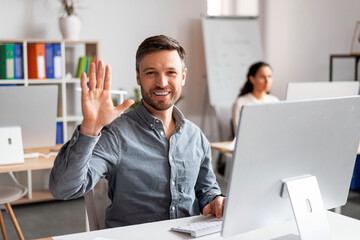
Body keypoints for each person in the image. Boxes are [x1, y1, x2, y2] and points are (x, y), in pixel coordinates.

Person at [49, 35, 225, 228]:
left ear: (183, 77)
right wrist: (90, 128)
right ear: (138, 77)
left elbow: (206, 189)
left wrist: (216, 200)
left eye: (171, 72)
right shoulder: (117, 135)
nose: (162, 82)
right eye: (151, 73)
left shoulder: (195, 136)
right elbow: (63, 189)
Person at [232, 61, 279, 133]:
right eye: (262, 77)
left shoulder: (274, 101)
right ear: (252, 79)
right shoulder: (241, 103)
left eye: (269, 76)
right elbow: (239, 132)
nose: (267, 81)